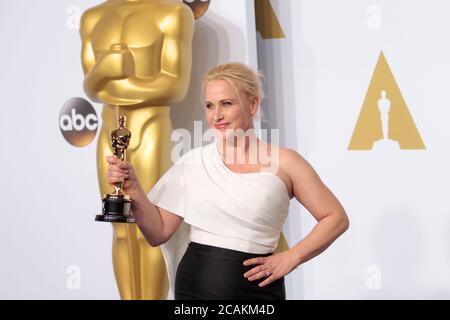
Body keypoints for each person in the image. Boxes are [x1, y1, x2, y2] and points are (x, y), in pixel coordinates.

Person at [106, 62, 350, 300]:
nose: (217, 116)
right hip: (196, 287)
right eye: (210, 106)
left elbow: (335, 218)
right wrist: (134, 189)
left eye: (226, 104)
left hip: (259, 289)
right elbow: (157, 233)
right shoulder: (193, 162)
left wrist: (291, 257)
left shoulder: (286, 162)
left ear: (252, 104)